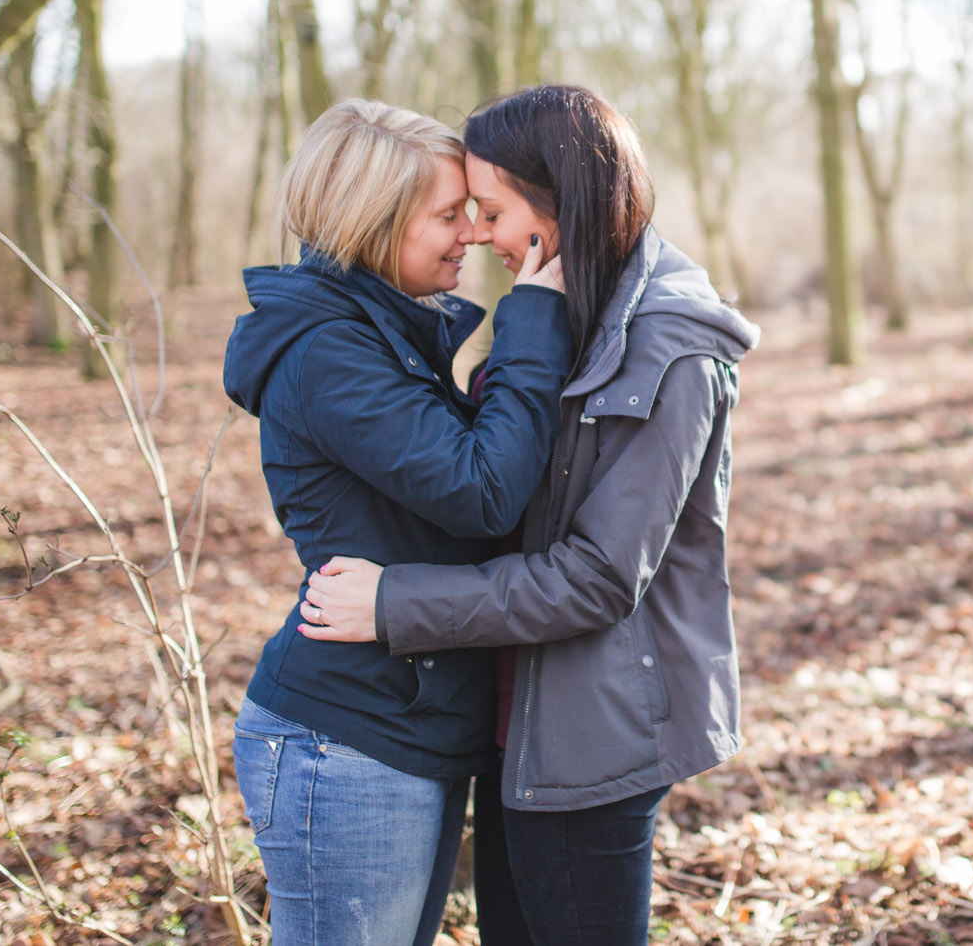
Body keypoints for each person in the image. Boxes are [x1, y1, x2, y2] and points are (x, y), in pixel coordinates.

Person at [300, 84, 759, 946]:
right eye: (466, 210)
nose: (477, 232)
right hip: (521, 726)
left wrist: (396, 602)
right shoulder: (571, 318)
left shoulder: (671, 350)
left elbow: (596, 576)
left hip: (591, 740)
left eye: (492, 209)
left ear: (558, 211)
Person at [222, 99, 568, 946]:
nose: (471, 235)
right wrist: (532, 316)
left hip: (403, 725)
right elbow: (484, 489)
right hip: (346, 741)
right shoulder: (328, 353)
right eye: (449, 215)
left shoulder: (380, 337)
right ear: (376, 224)